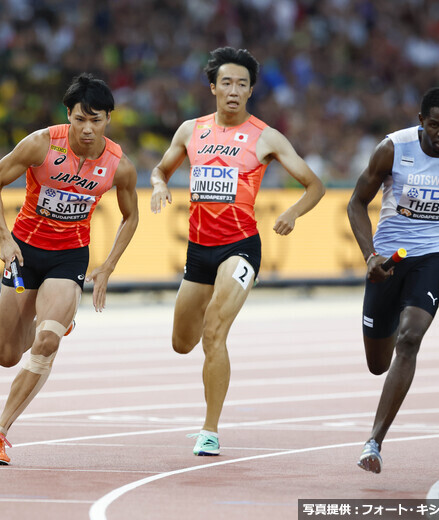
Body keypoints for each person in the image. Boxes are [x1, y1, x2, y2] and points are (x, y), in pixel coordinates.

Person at [150, 47, 325, 456]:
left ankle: (209, 429)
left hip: (241, 247)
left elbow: (314, 184)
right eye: (226, 83)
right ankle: (208, 411)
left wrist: (294, 212)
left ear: (250, 92)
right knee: (182, 342)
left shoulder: (266, 137)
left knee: (215, 332)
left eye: (242, 84)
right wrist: (160, 184)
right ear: (213, 87)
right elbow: (161, 168)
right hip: (198, 252)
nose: (233, 91)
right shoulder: (190, 130)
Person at [0, 73, 139, 465]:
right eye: (80, 119)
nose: (87, 129)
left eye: (96, 120)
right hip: (25, 255)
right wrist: (4, 237)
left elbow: (131, 217)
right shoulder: (41, 144)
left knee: (47, 344)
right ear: (68, 114)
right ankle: (57, 316)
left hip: (69, 258)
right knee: (6, 355)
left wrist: (107, 266)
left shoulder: (118, 165)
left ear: (108, 120)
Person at [347, 87, 439, 474]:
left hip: (431, 257)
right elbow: (355, 203)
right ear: (421, 122)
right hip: (389, 260)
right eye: (435, 124)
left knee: (411, 337)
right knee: (377, 364)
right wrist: (370, 256)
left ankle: (374, 442)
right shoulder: (393, 149)